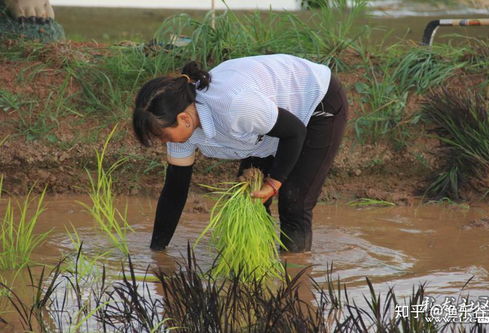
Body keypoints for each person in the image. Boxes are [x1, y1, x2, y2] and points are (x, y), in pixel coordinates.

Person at [133, 54, 348, 253]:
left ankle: (296, 275)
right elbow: (174, 192)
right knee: (250, 200)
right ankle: (260, 267)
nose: (164, 143)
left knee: (294, 202)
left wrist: (274, 182)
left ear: (184, 119)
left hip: (316, 103)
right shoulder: (181, 128)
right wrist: (158, 253)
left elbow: (295, 132)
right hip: (269, 120)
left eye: (164, 136)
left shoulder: (235, 106)